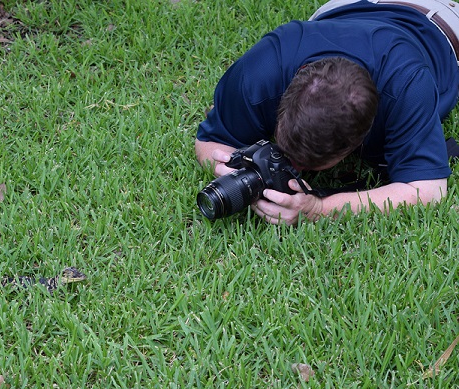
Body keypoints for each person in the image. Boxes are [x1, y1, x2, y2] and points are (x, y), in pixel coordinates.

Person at [195, 0, 459, 225]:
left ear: (360, 141)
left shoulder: (408, 86)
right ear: (284, 98)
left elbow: (428, 191)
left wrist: (317, 209)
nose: (293, 168)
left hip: (439, 22)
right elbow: (208, 140)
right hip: (347, 7)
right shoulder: (264, 68)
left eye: (306, 166)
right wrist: (232, 168)